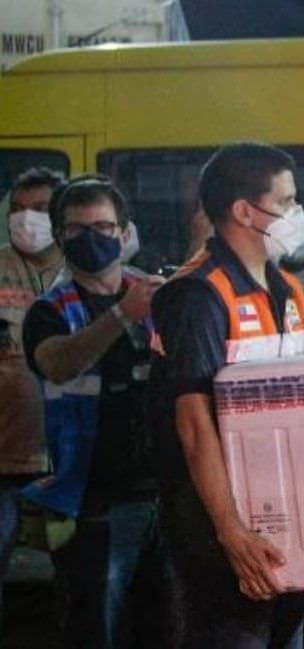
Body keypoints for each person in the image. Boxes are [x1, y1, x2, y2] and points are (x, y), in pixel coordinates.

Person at [149, 142, 304, 648]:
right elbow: (194, 424)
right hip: (217, 525)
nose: (297, 213)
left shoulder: (291, 290)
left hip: (286, 513)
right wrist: (229, 529)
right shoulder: (197, 294)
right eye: (285, 202)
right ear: (244, 211)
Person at [20, 174, 172, 648]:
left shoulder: (156, 295)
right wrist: (121, 315)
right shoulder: (50, 309)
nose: (91, 238)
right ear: (59, 236)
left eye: (103, 228)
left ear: (124, 234)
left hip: (164, 494)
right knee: (95, 627)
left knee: (166, 626)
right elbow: (57, 364)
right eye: (77, 229)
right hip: (90, 500)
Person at [0, 166, 65, 627]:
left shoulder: (86, 271)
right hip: (5, 454)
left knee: (85, 584)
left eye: (40, 209)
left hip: (72, 460)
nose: (27, 219)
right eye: (18, 209)